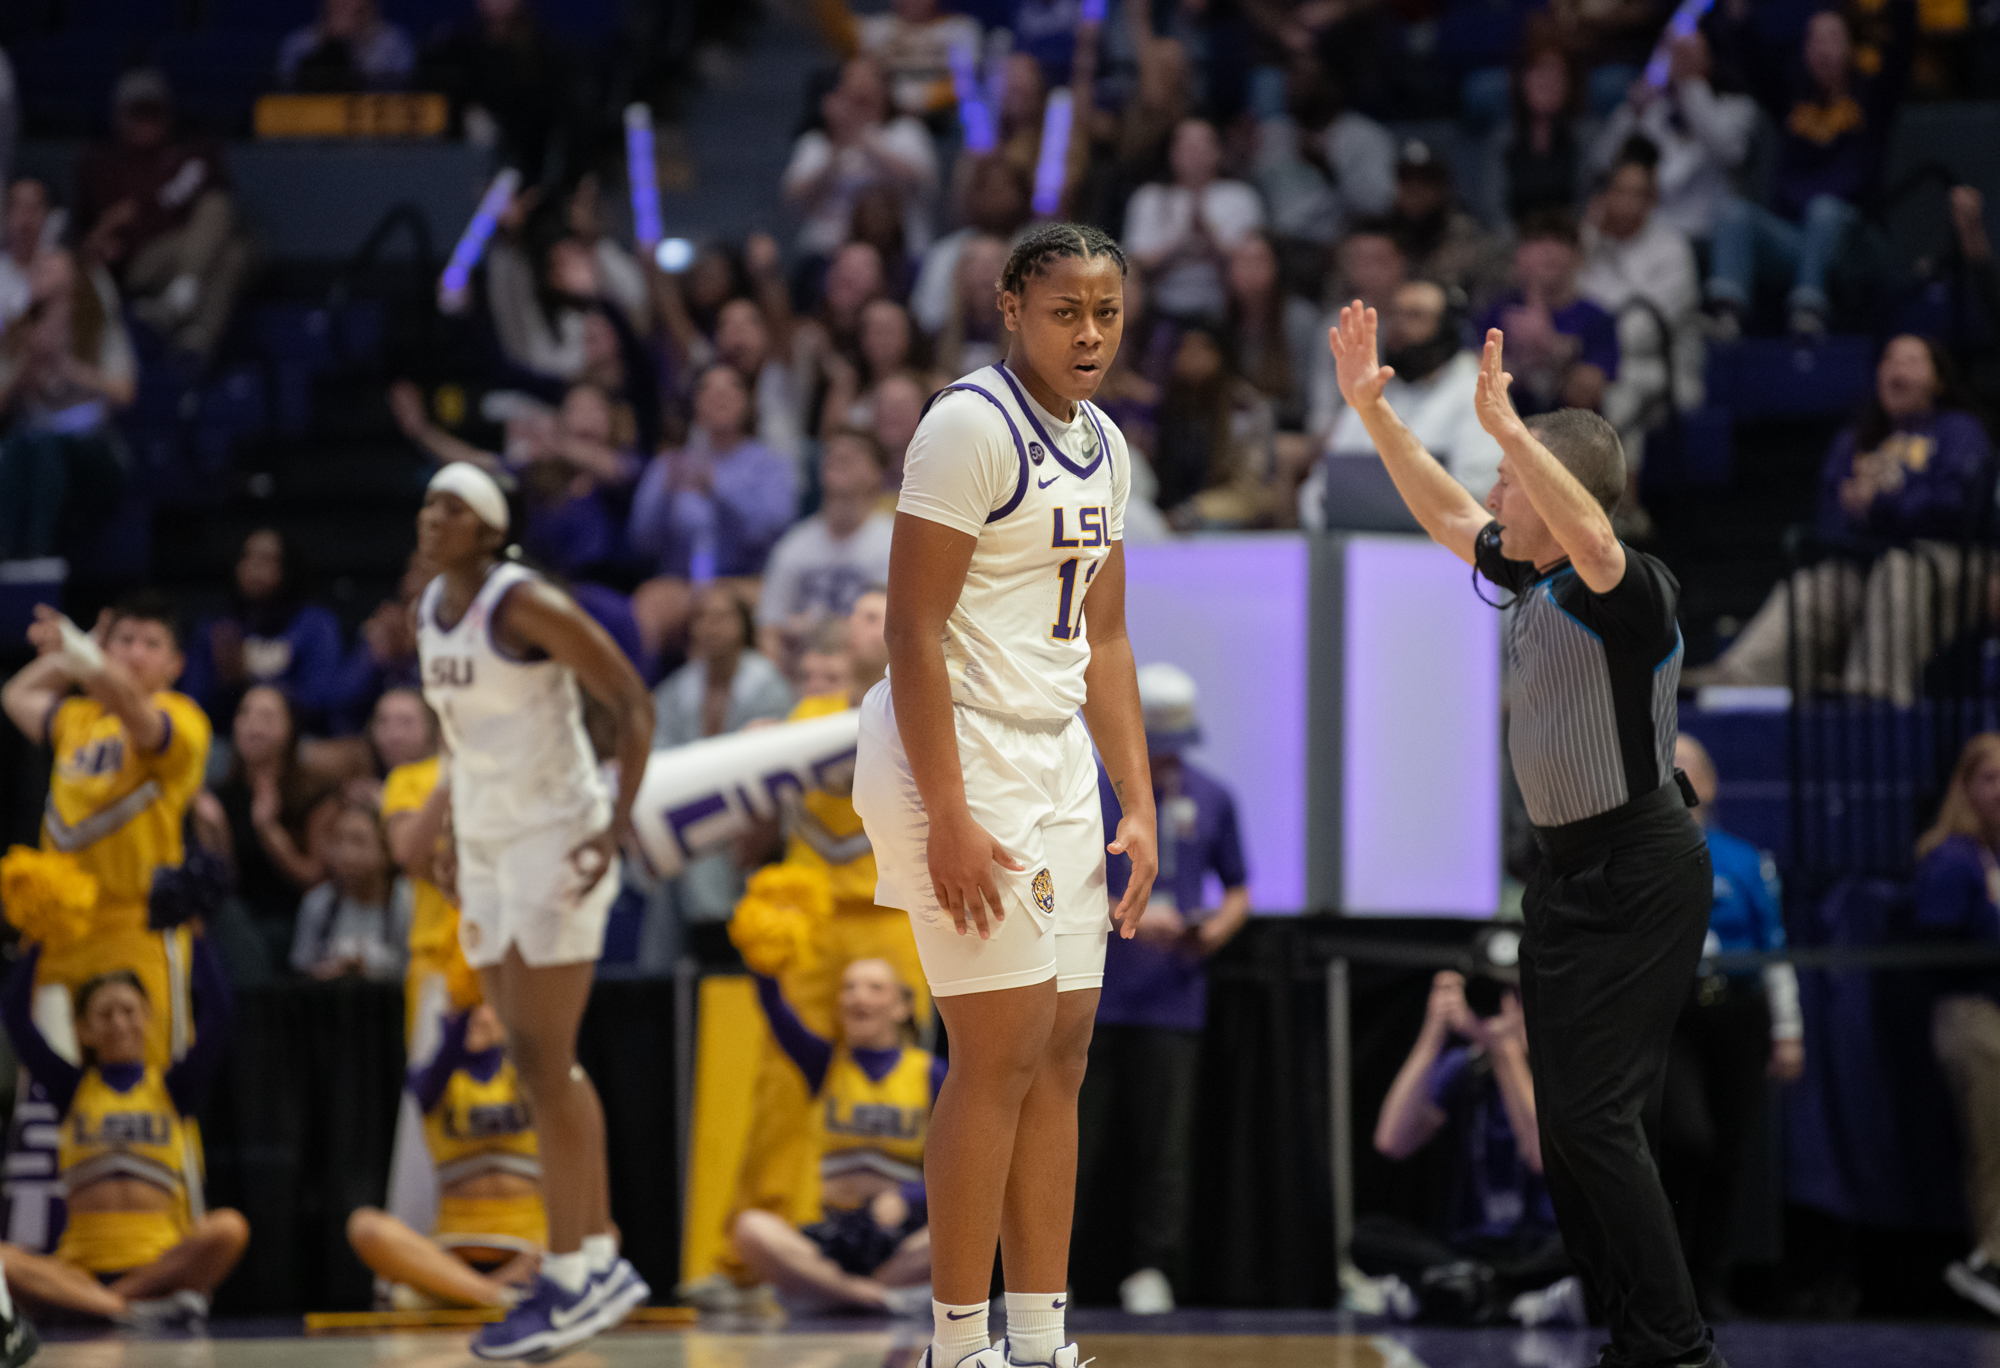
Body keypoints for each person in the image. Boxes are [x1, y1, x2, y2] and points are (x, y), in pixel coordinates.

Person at [1329, 303, 1725, 1367]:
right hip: (1562, 877)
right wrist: (1375, 414)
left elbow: (1592, 536)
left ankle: (1678, 1350)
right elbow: (1447, 513)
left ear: (1563, 492)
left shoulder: (1629, 590)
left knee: (1597, 1124)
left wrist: (1511, 431)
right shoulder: (1531, 576)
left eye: (1512, 473)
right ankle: (1626, 1340)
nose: (1496, 488)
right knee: (1570, 1134)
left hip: (1639, 870)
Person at [852, 222, 1159, 1368]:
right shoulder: (968, 427)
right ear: (1011, 307)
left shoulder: (1106, 444)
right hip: (956, 750)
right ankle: (955, 1345)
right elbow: (909, 632)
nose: (1088, 334)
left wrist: (1135, 802)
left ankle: (1040, 1342)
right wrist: (949, 817)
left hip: (1050, 755)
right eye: (1065, 311)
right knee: (999, 1049)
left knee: (1064, 1049)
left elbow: (1110, 635)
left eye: (1107, 313)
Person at [414, 462, 656, 1358]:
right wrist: (447, 830)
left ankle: (565, 1280)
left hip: (556, 838)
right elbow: (461, 736)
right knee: (532, 1059)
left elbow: (631, 702)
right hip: (484, 849)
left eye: (453, 507)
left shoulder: (523, 604)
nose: (432, 517)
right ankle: (594, 1258)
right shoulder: (428, 609)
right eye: (428, 503)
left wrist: (614, 826)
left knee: (545, 1062)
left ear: (489, 529)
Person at [709, 591, 930, 1293]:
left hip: (893, 912)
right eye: (863, 615)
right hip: (810, 920)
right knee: (781, 1083)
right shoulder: (798, 723)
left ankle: (921, 1235)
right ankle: (748, 1262)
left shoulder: (928, 706)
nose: (874, 621)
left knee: (918, 1075)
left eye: (881, 613)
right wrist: (747, 765)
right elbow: (750, 838)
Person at [1684, 335, 1992, 699]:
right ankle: (1736, 680)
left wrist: (1881, 505)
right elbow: (1829, 520)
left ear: (1939, 380)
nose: (1897, 368)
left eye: (1911, 361)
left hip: (1946, 559)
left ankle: (1872, 695)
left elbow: (1958, 507)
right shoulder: (1856, 439)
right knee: (1811, 588)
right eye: (1889, 359)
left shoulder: (1959, 431)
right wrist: (1859, 513)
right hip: (1867, 562)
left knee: (1898, 571)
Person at [1079, 663, 1248, 1315]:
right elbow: (1052, 885)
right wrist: (1129, 915)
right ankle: (1050, 1272)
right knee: (1073, 1140)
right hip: (1094, 993)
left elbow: (1238, 889)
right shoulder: (1086, 792)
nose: (1170, 757)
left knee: (1165, 1148)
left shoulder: (1213, 795)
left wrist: (1214, 932)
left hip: (1174, 997)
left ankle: (1153, 1269)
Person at [0, 595, 212, 1070]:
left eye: (151, 643)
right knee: (48, 1088)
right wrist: (70, 656)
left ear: (175, 663)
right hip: (60, 931)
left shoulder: (184, 719)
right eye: (125, 640)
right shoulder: (77, 719)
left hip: (136, 926)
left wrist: (91, 661)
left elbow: (137, 716)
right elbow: (15, 696)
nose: (135, 652)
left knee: (148, 1079)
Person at [0, 937, 246, 1324]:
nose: (119, 1022)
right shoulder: (71, 1088)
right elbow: (16, 1019)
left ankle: (107, 1304)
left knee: (229, 1228)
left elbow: (220, 1015)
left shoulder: (172, 1088)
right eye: (105, 1014)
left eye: (129, 1010)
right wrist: (39, 942)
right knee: (4, 1259)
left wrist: (195, 935)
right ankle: (127, 1310)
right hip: (80, 1267)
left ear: (148, 1017)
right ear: (83, 1030)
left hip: (159, 1266)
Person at [1660, 735, 1803, 1321]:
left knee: (1730, 1154)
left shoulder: (1746, 860)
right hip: (1671, 1016)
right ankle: (1663, 1281)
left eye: (1686, 765)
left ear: (1711, 783)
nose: (1675, 774)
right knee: (1687, 1139)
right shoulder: (1643, 857)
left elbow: (1774, 948)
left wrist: (1788, 1031)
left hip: (1737, 1014)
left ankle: (1707, 1281)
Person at [1364, 971, 1576, 1327]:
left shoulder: (1559, 1068)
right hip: (1467, 1248)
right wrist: (1433, 1033)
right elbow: (1391, 1142)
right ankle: (1499, 1291)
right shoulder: (1466, 1067)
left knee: (1590, 1248)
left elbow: (1544, 1158)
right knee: (1368, 1236)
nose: (1500, 1012)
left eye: (1516, 999)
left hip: (1539, 1243)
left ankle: (1451, 1291)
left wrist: (1506, 1049)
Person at [731, 959, 938, 1313]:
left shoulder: (930, 1072)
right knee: (750, 1229)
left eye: (874, 988)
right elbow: (775, 1008)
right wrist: (764, 956)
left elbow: (959, 1167)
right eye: (849, 987)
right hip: (834, 1235)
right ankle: (868, 1297)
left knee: (969, 1230)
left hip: (901, 1236)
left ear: (903, 1007)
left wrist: (908, 1196)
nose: (859, 997)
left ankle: (830, 1294)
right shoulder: (824, 1063)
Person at [1706, 0, 1916, 337]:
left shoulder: (1873, 94)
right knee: (1734, 212)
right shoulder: (1792, 96)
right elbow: (1754, 61)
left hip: (1856, 239)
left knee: (1824, 209)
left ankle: (1808, 311)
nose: (1823, 49)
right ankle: (1726, 314)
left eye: (1833, 38)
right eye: (1814, 40)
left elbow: (1903, 44)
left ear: (1850, 47)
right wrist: (1738, 15)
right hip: (1798, 238)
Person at [348, 1003, 548, 1309]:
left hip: (529, 1249)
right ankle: (495, 1296)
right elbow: (434, 1076)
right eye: (466, 1010)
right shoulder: (431, 1080)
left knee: (604, 1234)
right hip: (453, 1252)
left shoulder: (530, 1075)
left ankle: (459, 1296)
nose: (476, 1017)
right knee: (364, 1226)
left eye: (486, 1007)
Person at [627, 364, 800, 665]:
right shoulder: (670, 464)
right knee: (647, 605)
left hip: (746, 581)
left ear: (748, 402)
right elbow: (641, 543)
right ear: (695, 404)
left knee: (764, 609)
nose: (720, 395)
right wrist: (664, 498)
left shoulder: (769, 464)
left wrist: (717, 492)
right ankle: (639, 704)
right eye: (708, 388)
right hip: (683, 584)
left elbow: (771, 532)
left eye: (731, 387)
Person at [74, 69, 249, 360]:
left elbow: (220, 200)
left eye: (153, 112)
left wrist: (139, 213)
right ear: (119, 116)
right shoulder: (102, 167)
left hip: (191, 250)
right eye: (138, 113)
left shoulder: (192, 153)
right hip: (144, 262)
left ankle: (195, 339)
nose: (146, 122)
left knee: (229, 236)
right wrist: (107, 228)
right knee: (235, 248)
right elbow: (85, 246)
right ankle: (185, 289)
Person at [1913, 733, 2000, 1318]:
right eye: (1991, 778)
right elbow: (1941, 937)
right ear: (1965, 787)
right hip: (1972, 1012)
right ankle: (1991, 1257)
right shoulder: (1950, 858)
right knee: (1992, 1139)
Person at [1302, 280, 1502, 527]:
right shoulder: (1375, 384)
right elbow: (1321, 486)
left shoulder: (1476, 389)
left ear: (1447, 328)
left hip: (1441, 551)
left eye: (1415, 316)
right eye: (1395, 314)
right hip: (1357, 545)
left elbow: (1483, 492)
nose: (1399, 326)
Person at [651, 586, 794, 926]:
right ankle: (694, 953)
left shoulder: (771, 687)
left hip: (759, 809)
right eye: (700, 618)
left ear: (744, 626)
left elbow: (778, 761)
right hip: (693, 808)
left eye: (721, 617)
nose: (710, 627)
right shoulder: (673, 693)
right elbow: (660, 759)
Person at [1578, 147, 1704, 537]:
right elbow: (1571, 308)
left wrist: (1592, 352)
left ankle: (1619, 511)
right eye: (1620, 190)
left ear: (1652, 200)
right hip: (1594, 363)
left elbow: (1643, 333)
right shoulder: (1590, 245)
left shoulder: (1673, 249)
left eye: (1637, 192)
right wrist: (1589, 242)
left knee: (1620, 389)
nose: (1626, 201)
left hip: (1666, 370)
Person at [0, 248, 136, 562]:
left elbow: (125, 394)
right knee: (19, 448)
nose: (42, 278)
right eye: (39, 272)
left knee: (47, 447)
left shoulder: (97, 324)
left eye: (51, 272)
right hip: (32, 447)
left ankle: (38, 555)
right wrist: (26, 366)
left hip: (93, 446)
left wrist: (66, 367)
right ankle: (7, 552)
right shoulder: (19, 334)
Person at [206, 685, 340, 968]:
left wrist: (268, 829)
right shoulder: (218, 797)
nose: (253, 725)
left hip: (294, 920)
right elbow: (223, 883)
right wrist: (215, 829)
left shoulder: (315, 794)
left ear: (290, 729)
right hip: (235, 919)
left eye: (267, 717)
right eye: (245, 714)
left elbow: (314, 879)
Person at [1588, 33, 1756, 241]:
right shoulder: (1650, 110)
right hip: (1650, 231)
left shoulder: (1736, 108)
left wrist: (1691, 84)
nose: (1677, 59)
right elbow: (1601, 163)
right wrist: (1632, 114)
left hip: (1704, 233)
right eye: (1669, 50)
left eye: (1687, 52)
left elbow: (1730, 152)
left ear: (1710, 56)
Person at [180, 528, 345, 734]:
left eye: (268, 559)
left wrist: (247, 681)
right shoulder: (217, 628)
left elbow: (322, 698)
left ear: (289, 569)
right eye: (247, 557)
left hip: (299, 741)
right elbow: (193, 703)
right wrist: (227, 687)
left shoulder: (316, 625)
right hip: (228, 742)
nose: (255, 567)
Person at [758, 430, 896, 673]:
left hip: (871, 677)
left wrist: (819, 628)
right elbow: (769, 627)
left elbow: (897, 625)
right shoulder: (795, 545)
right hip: (806, 678)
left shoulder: (894, 541)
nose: (839, 456)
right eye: (832, 454)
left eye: (853, 454)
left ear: (878, 474)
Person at [782, 58, 938, 268]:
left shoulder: (906, 132)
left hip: (900, 256)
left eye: (869, 82)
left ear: (885, 91)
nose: (861, 87)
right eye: (852, 82)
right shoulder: (817, 143)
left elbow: (918, 182)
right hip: (826, 257)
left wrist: (862, 137)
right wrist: (835, 151)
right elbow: (793, 198)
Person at [1122, 119, 1265, 326]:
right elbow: (1135, 265)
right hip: (1159, 310)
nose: (1195, 153)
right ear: (1172, 153)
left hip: (1224, 311)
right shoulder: (1149, 197)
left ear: (1218, 151)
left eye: (1202, 145)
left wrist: (1210, 240)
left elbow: (1254, 266)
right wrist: (1180, 245)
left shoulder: (1240, 197)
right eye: (1187, 146)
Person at [1477, 211, 1619, 417]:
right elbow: (1475, 380)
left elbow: (1587, 393)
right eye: (1537, 240)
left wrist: (1549, 345)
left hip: (1572, 437)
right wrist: (1518, 365)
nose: (1549, 250)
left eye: (1560, 241)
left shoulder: (1596, 317)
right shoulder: (1497, 311)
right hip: (1510, 431)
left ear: (1578, 256)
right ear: (1519, 255)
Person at [291, 800, 414, 982]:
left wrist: (369, 968)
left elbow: (415, 971)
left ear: (385, 851)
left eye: (358, 841)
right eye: (338, 840)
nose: (346, 852)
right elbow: (300, 972)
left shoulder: (408, 902)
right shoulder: (318, 904)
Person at [854, 0, 983, 120]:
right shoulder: (877, 29)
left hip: (942, 119)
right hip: (887, 117)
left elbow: (964, 83)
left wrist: (919, 98)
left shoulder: (959, 29)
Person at [277, 0, 416, 90]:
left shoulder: (393, 41)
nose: (343, 3)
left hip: (375, 133)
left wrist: (352, 42)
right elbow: (285, 96)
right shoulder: (298, 42)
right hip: (307, 130)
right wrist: (331, 42)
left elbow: (395, 93)